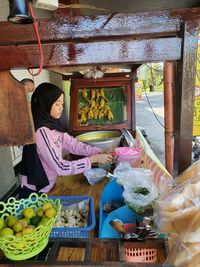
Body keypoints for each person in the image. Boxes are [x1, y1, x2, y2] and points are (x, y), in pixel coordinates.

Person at [19, 82, 113, 199]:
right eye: (57, 104)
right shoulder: (42, 132)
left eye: (62, 104)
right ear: (45, 103)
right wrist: (93, 159)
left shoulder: (53, 125)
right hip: (34, 191)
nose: (61, 108)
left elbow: (73, 144)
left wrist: (98, 151)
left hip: (48, 185)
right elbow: (61, 168)